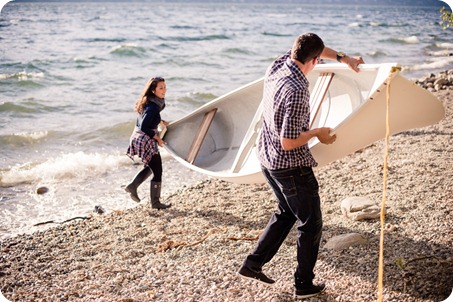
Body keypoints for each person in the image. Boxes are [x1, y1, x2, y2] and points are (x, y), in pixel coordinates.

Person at [237, 33, 365, 299]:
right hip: (289, 166)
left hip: (266, 158)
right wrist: (317, 133)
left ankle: (252, 264)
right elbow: (289, 142)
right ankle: (303, 284)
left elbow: (315, 48)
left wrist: (344, 59)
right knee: (311, 223)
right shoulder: (297, 90)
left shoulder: (279, 64)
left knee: (286, 212)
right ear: (315, 61)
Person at [125, 76, 171, 209]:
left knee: (152, 166)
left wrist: (161, 122)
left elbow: (149, 119)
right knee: (157, 170)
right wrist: (158, 138)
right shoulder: (153, 106)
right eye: (161, 88)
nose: (164, 90)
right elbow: (145, 126)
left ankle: (132, 186)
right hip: (145, 138)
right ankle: (155, 203)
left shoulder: (151, 102)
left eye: (165, 87)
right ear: (153, 90)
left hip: (139, 136)